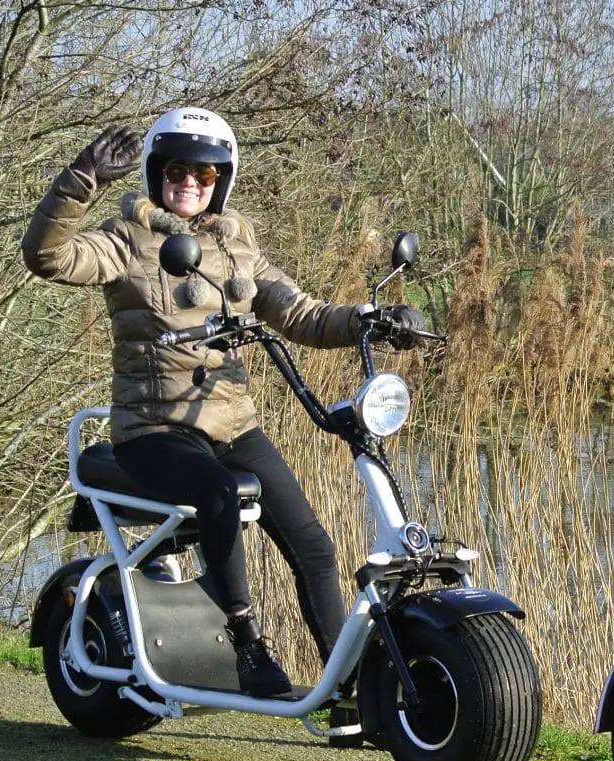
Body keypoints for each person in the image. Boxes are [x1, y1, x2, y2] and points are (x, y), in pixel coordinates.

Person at [22, 107, 427, 698]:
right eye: (177, 170)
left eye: (205, 174)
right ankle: (246, 643)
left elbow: (302, 314)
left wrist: (373, 317)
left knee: (313, 545)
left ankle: (353, 689)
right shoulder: (125, 240)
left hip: (233, 424)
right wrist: (81, 178)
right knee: (217, 491)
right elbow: (48, 257)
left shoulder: (238, 247)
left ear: (222, 181)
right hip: (154, 428)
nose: (190, 182)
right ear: (157, 172)